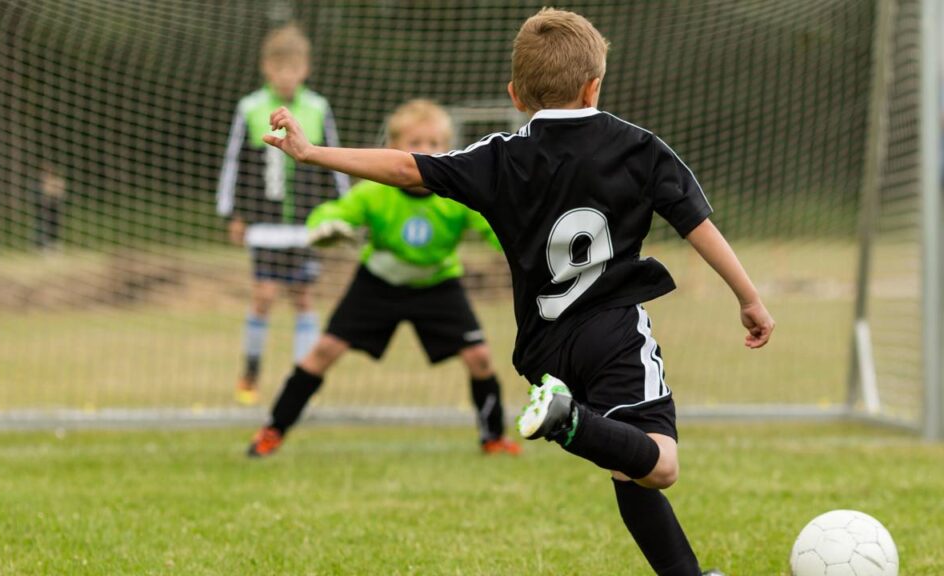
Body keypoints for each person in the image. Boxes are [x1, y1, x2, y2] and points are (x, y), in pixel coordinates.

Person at [259, 8, 775, 574]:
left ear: (515, 94)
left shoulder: (499, 156)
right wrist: (748, 298)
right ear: (594, 85)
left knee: (625, 463)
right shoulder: (639, 148)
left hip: (542, 345)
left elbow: (407, 168)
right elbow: (697, 225)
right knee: (662, 464)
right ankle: (567, 420)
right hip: (612, 332)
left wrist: (311, 152)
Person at [246, 100, 521, 458]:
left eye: (435, 143)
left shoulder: (458, 193)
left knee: (480, 357)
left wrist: (523, 246)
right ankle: (272, 431)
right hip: (377, 283)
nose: (426, 151)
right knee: (324, 352)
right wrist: (325, 228)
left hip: (437, 285)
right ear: (393, 147)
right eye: (415, 142)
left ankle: (493, 438)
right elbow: (330, 213)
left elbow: (497, 230)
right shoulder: (374, 190)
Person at [216, 23, 349, 405]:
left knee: (304, 297)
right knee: (264, 295)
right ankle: (250, 373)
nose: (287, 75)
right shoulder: (250, 108)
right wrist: (233, 214)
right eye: (279, 68)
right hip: (264, 225)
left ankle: (301, 381)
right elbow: (235, 162)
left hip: (305, 226)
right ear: (267, 68)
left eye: (294, 68)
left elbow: (334, 160)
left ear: (305, 69)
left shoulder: (317, 108)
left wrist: (341, 211)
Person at [33, 161, 66, 250]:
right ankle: (41, 245)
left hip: (54, 206)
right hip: (42, 207)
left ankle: (54, 244)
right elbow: (45, 192)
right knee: (42, 225)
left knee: (54, 225)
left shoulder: (56, 180)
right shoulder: (38, 182)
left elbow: (59, 191)